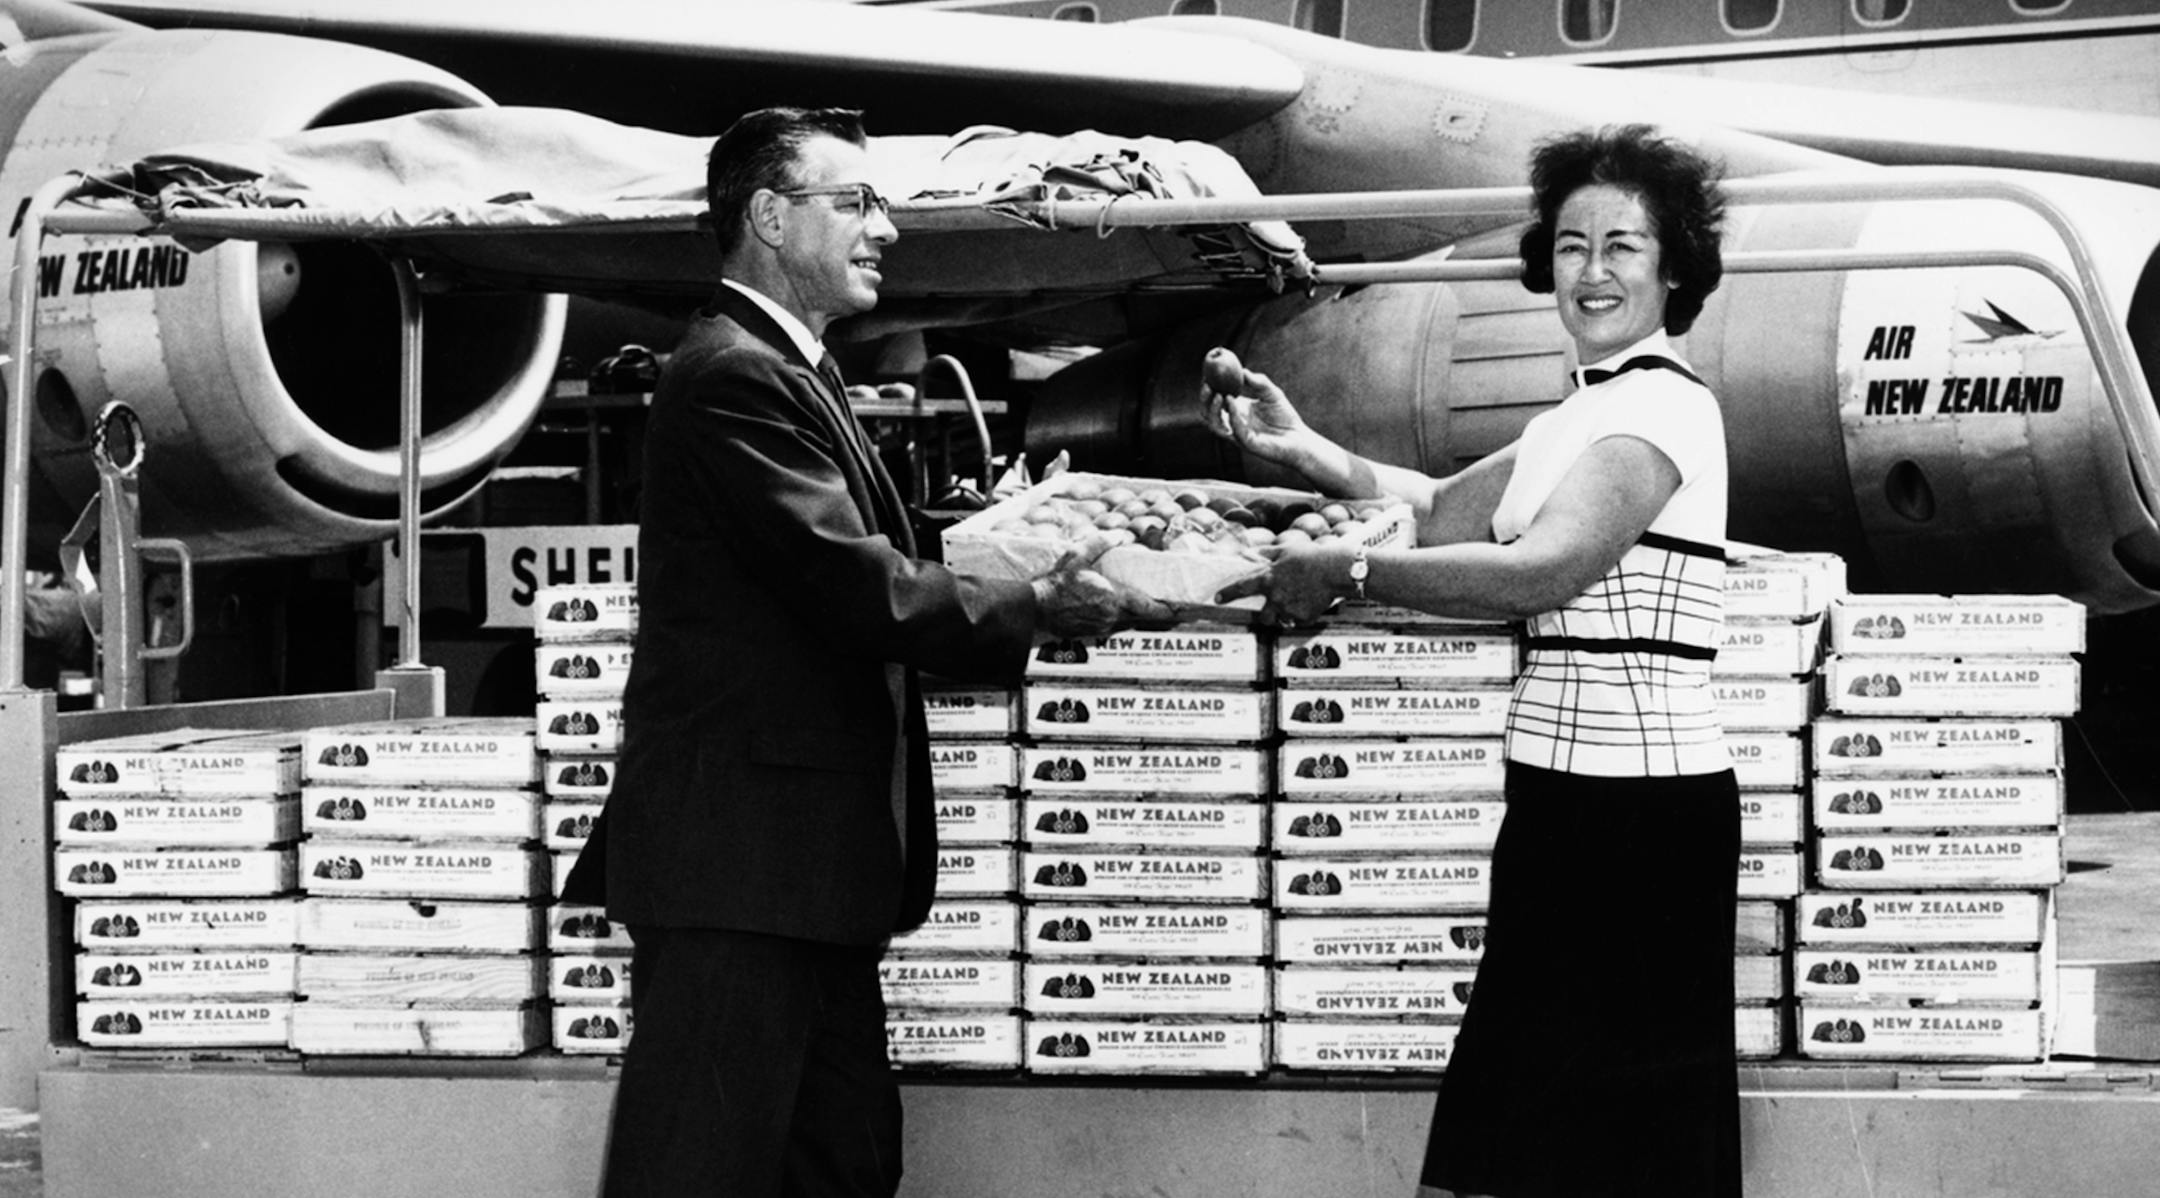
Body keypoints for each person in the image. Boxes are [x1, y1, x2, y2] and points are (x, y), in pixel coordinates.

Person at [563, 107, 1167, 1198]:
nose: (885, 226)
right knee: (699, 1169)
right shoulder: (733, 374)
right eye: (856, 202)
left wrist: (996, 530)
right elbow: (861, 589)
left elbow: (866, 550)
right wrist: (1040, 598)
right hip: (741, 873)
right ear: (768, 217)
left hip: (800, 871)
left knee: (842, 1162)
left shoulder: (785, 369)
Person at [1206, 123, 1738, 1197]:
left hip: (1642, 817)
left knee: (1612, 1147)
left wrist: (1351, 581)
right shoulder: (1581, 413)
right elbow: (1438, 509)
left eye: (1623, 247)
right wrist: (1297, 445)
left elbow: (1544, 567)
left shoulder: (1665, 409)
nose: (1592, 270)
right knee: (1523, 1130)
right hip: (1564, 801)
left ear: (1674, 267)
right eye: (1574, 243)